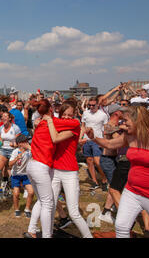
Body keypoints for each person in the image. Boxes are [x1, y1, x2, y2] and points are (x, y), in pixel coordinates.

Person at [86, 105, 149, 238]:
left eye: (125, 120)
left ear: (137, 121)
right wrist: (93, 137)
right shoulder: (129, 136)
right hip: (132, 191)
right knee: (121, 226)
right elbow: (110, 144)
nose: (122, 123)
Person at [24, 99, 79, 238]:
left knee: (42, 201)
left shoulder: (41, 122)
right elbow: (74, 123)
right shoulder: (54, 122)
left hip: (31, 165)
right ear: (50, 111)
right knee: (48, 204)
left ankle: (32, 230)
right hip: (41, 166)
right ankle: (47, 235)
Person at [48, 102, 93, 238]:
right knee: (50, 205)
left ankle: (88, 236)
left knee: (73, 212)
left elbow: (55, 138)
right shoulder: (57, 124)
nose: (67, 117)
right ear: (60, 114)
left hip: (69, 171)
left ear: (74, 116)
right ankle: (47, 233)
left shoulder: (73, 125)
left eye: (70, 115)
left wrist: (49, 120)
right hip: (55, 170)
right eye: (64, 115)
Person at [80, 97, 109, 190]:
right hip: (87, 140)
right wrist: (81, 138)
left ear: (98, 105)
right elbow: (83, 126)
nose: (91, 107)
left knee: (98, 162)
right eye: (90, 105)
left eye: (93, 105)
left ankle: (104, 179)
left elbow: (105, 129)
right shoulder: (85, 113)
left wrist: (104, 142)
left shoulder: (103, 115)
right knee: (89, 161)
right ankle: (94, 181)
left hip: (98, 140)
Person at [9, 134, 34, 218]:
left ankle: (27, 209)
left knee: (31, 192)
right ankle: (16, 209)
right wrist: (16, 158)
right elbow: (9, 165)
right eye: (23, 142)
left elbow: (38, 155)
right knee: (16, 193)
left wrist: (30, 148)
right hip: (16, 174)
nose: (25, 144)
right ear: (19, 143)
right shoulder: (15, 151)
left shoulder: (30, 151)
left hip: (26, 174)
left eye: (26, 142)